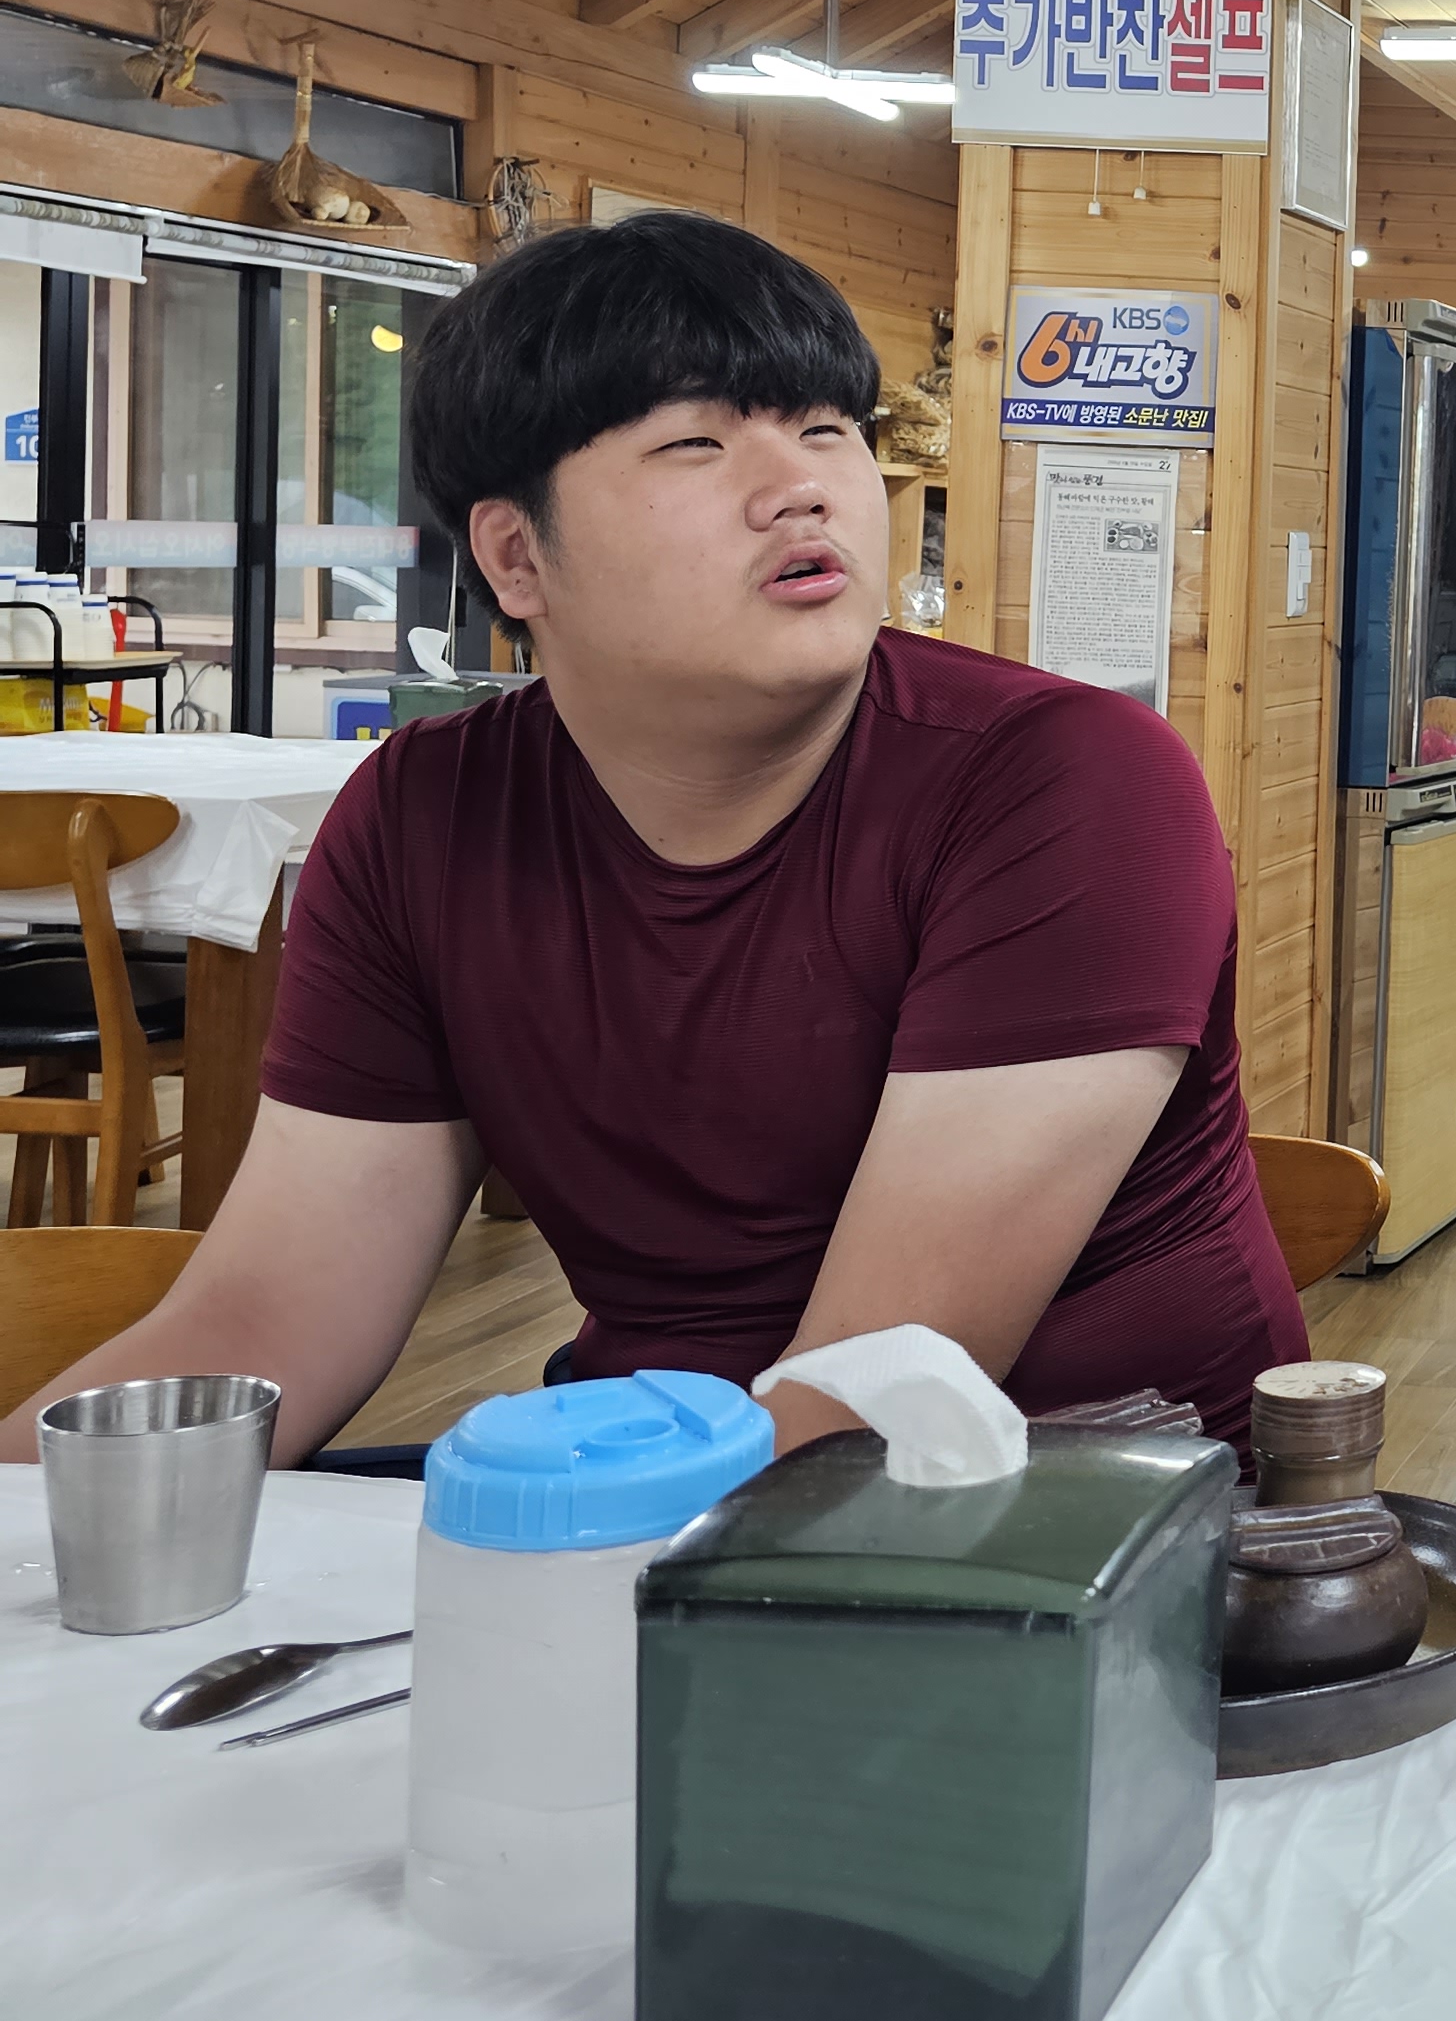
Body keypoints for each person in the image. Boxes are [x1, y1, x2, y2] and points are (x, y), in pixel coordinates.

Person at [4, 213, 1303, 1469]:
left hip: (1084, 1513)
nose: (801, 487)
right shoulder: (422, 819)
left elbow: (876, 1380)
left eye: (827, 429)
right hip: (653, 1472)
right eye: (696, 443)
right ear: (516, 557)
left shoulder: (1065, 779)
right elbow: (269, 1319)